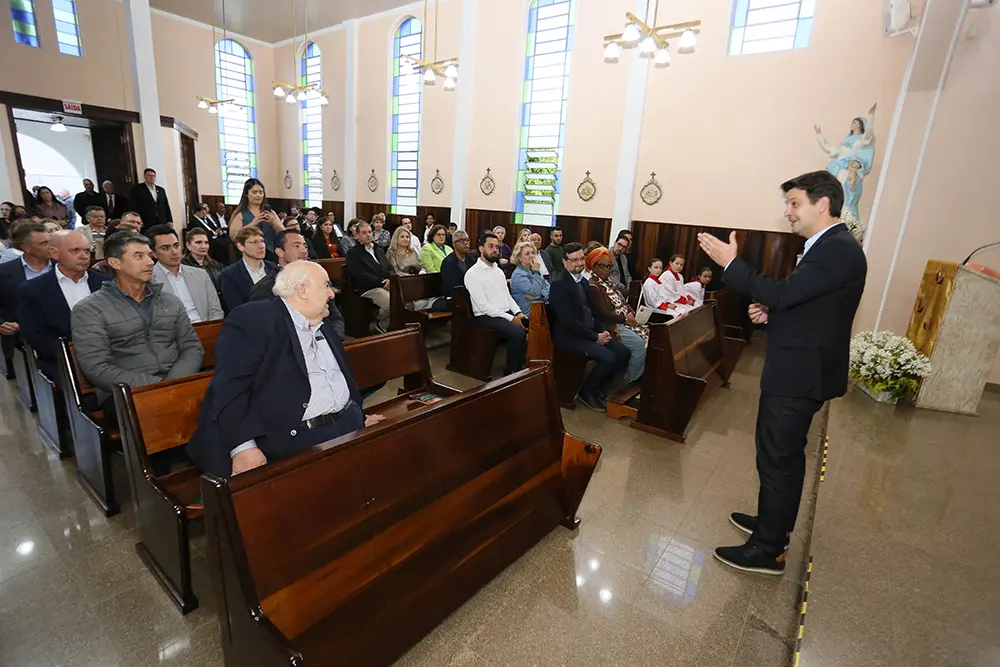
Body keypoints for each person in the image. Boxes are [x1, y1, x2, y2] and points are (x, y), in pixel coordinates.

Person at [697, 170, 867, 575]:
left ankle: (768, 549)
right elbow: (811, 309)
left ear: (822, 203)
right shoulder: (831, 247)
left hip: (798, 375)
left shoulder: (836, 249)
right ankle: (775, 526)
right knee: (782, 456)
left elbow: (783, 293)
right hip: (801, 366)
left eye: (794, 203)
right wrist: (774, 316)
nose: (787, 212)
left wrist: (731, 263)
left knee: (777, 457)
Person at [186, 261, 384, 479]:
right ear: (302, 291)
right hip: (294, 439)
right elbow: (229, 388)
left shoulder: (322, 324)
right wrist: (243, 447)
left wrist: (355, 416)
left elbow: (337, 379)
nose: (332, 294)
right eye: (326, 286)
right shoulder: (256, 319)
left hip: (344, 426)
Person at [71, 231, 204, 420]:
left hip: (178, 381)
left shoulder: (169, 301)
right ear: (116, 263)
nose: (150, 262)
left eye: (149, 255)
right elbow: (97, 368)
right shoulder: (90, 309)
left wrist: (174, 383)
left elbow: (192, 346)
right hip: (126, 393)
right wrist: (157, 386)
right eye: (138, 256)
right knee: (165, 417)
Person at [549, 242, 630, 411]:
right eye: (574, 260)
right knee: (608, 357)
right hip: (568, 336)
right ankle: (586, 392)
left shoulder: (584, 282)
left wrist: (603, 331)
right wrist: (595, 338)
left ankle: (598, 384)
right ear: (565, 262)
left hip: (588, 331)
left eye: (581, 259)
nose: (579, 263)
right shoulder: (559, 284)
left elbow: (594, 312)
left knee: (624, 353)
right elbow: (569, 321)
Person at [17, 230, 108, 380]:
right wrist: (75, 354)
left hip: (110, 356)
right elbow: (35, 335)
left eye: (86, 250)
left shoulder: (105, 283)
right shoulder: (32, 290)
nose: (84, 256)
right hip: (62, 362)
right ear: (55, 253)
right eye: (75, 250)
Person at [464, 231, 527, 376]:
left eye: (497, 247)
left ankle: (520, 365)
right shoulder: (473, 273)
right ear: (481, 248)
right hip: (485, 316)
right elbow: (483, 306)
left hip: (502, 313)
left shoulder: (498, 271)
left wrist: (518, 312)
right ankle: (511, 372)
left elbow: (507, 296)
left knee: (529, 324)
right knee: (517, 333)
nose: (495, 250)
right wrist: (511, 318)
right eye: (490, 246)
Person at [587, 247, 647, 385]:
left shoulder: (609, 282)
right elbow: (603, 313)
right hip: (611, 326)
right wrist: (625, 319)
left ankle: (637, 375)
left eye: (609, 266)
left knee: (650, 336)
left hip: (624, 320)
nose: (607, 269)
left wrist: (631, 311)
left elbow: (622, 301)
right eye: (602, 266)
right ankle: (630, 381)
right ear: (593, 265)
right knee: (640, 345)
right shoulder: (594, 286)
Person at [0, 222, 53, 367]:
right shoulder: (4, 272)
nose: (50, 247)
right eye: (44, 243)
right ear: (26, 248)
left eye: (50, 241)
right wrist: (2, 325)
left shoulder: (60, 266)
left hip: (59, 339)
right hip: (20, 343)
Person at [148, 225, 223, 324]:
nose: (174, 252)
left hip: (205, 329)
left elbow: (215, 310)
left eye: (176, 246)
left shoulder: (200, 274)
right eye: (165, 248)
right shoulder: (149, 279)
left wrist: (211, 331)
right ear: (154, 254)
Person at [815, 103, 877, 220]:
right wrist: (819, 134)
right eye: (852, 122)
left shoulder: (861, 140)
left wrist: (871, 116)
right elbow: (828, 147)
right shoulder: (845, 142)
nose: (852, 124)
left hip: (847, 170)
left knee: (846, 196)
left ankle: (847, 220)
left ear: (861, 125)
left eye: (855, 122)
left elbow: (868, 134)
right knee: (833, 193)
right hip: (839, 169)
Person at [346, 221, 392, 333]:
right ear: (357, 236)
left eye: (370, 232)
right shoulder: (353, 253)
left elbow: (387, 268)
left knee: (402, 300)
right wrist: (381, 282)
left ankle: (384, 326)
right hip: (367, 288)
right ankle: (378, 323)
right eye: (364, 233)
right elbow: (360, 275)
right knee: (391, 302)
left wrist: (390, 280)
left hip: (385, 284)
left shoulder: (379, 250)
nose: (368, 235)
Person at [219, 227, 280, 312]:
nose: (261, 246)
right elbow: (236, 309)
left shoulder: (275, 269)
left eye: (262, 241)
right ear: (240, 246)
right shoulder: (229, 275)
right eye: (254, 242)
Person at [228, 178, 283, 261]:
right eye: (254, 192)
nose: (258, 195)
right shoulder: (240, 214)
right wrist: (253, 223)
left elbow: (285, 233)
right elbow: (234, 237)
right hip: (249, 256)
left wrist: (274, 222)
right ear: (246, 194)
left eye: (261, 192)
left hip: (271, 255)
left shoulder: (271, 212)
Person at [182, 227, 226, 296]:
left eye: (206, 243)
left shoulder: (214, 264)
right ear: (188, 245)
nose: (203, 246)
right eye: (198, 242)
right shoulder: (183, 266)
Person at [509, 240, 549, 315]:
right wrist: (537, 272)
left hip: (540, 306)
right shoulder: (518, 274)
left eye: (533, 253)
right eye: (527, 254)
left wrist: (539, 296)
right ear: (519, 258)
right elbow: (534, 292)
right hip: (528, 312)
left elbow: (548, 287)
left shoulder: (533, 270)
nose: (531, 255)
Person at [439, 230, 476, 307]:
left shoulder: (471, 260)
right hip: (454, 298)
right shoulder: (448, 262)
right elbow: (450, 287)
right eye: (462, 241)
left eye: (467, 240)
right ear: (454, 244)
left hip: (470, 295)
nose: (466, 243)